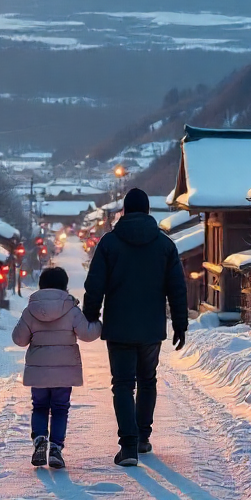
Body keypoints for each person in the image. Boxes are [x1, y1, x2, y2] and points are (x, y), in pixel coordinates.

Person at [83, 187, 188, 467]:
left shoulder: (109, 243)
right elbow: (177, 288)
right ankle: (142, 437)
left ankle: (128, 446)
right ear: (148, 212)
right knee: (148, 380)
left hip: (119, 327)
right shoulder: (165, 246)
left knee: (122, 385)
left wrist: (90, 315)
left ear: (124, 212)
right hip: (151, 328)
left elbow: (95, 284)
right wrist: (180, 324)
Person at [11, 265, 101, 469]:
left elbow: (18, 339)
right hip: (64, 371)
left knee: (40, 406)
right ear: (64, 286)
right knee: (60, 408)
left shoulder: (31, 309)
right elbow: (87, 334)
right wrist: (99, 324)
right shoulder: (71, 308)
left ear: (41, 285)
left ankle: (40, 439)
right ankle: (55, 448)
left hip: (39, 371)